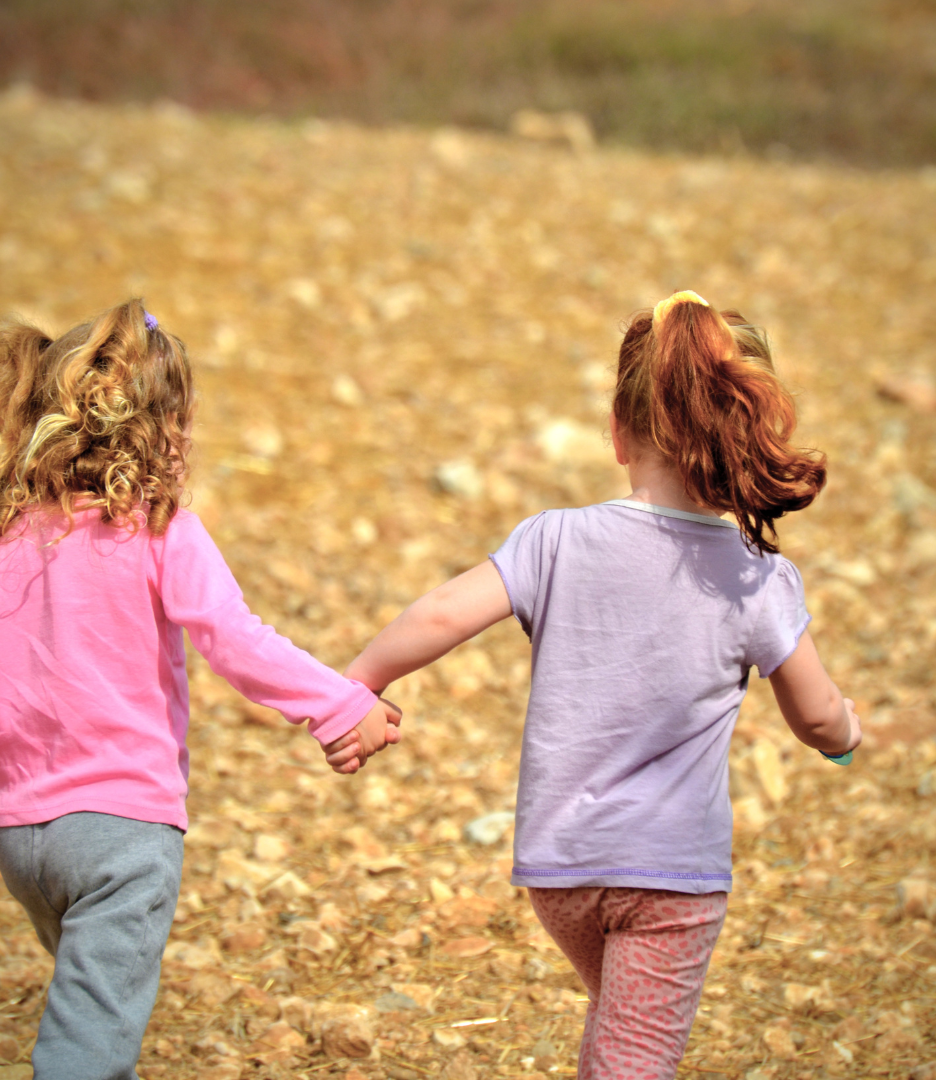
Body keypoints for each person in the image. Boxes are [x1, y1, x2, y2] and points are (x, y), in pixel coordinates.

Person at [325, 291, 862, 1079]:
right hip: (669, 878)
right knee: (632, 1060)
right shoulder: (756, 577)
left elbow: (440, 614)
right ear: (747, 432)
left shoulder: (555, 540)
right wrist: (848, 733)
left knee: (619, 1037)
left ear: (617, 432)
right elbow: (815, 717)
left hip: (563, 871)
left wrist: (357, 684)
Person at [0, 299, 400, 1080]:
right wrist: (340, 706)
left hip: (21, 842)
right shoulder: (162, 530)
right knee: (89, 1041)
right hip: (124, 834)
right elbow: (235, 640)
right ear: (163, 431)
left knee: (95, 1017)